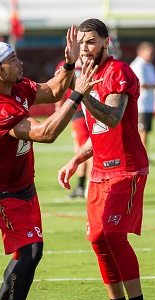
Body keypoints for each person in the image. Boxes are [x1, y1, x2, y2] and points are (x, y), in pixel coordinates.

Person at [0, 28, 101, 300]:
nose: (20, 62)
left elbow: (52, 90)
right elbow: (45, 133)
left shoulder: (17, 86)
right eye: (11, 59)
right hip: (1, 191)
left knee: (30, 251)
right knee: (30, 250)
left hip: (23, 185)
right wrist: (78, 96)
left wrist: (69, 64)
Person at [58, 18, 154, 300]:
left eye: (91, 42)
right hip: (99, 170)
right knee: (97, 239)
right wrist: (75, 159)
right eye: (81, 42)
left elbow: (111, 117)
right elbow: (96, 134)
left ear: (105, 43)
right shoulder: (87, 75)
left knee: (114, 234)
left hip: (126, 168)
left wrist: (81, 94)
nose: (85, 48)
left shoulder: (118, 72)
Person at [54, 59, 91, 199]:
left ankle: (90, 185)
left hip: (78, 109)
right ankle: (82, 186)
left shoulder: (65, 64)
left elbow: (59, 90)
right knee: (82, 148)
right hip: (92, 108)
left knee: (84, 149)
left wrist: (59, 109)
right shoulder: (95, 62)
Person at [130, 41, 155, 154]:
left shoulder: (149, 65)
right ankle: (140, 156)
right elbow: (141, 83)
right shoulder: (139, 65)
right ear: (141, 52)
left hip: (147, 103)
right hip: (140, 104)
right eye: (150, 52)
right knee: (140, 131)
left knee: (145, 131)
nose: (152, 55)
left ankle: (143, 155)